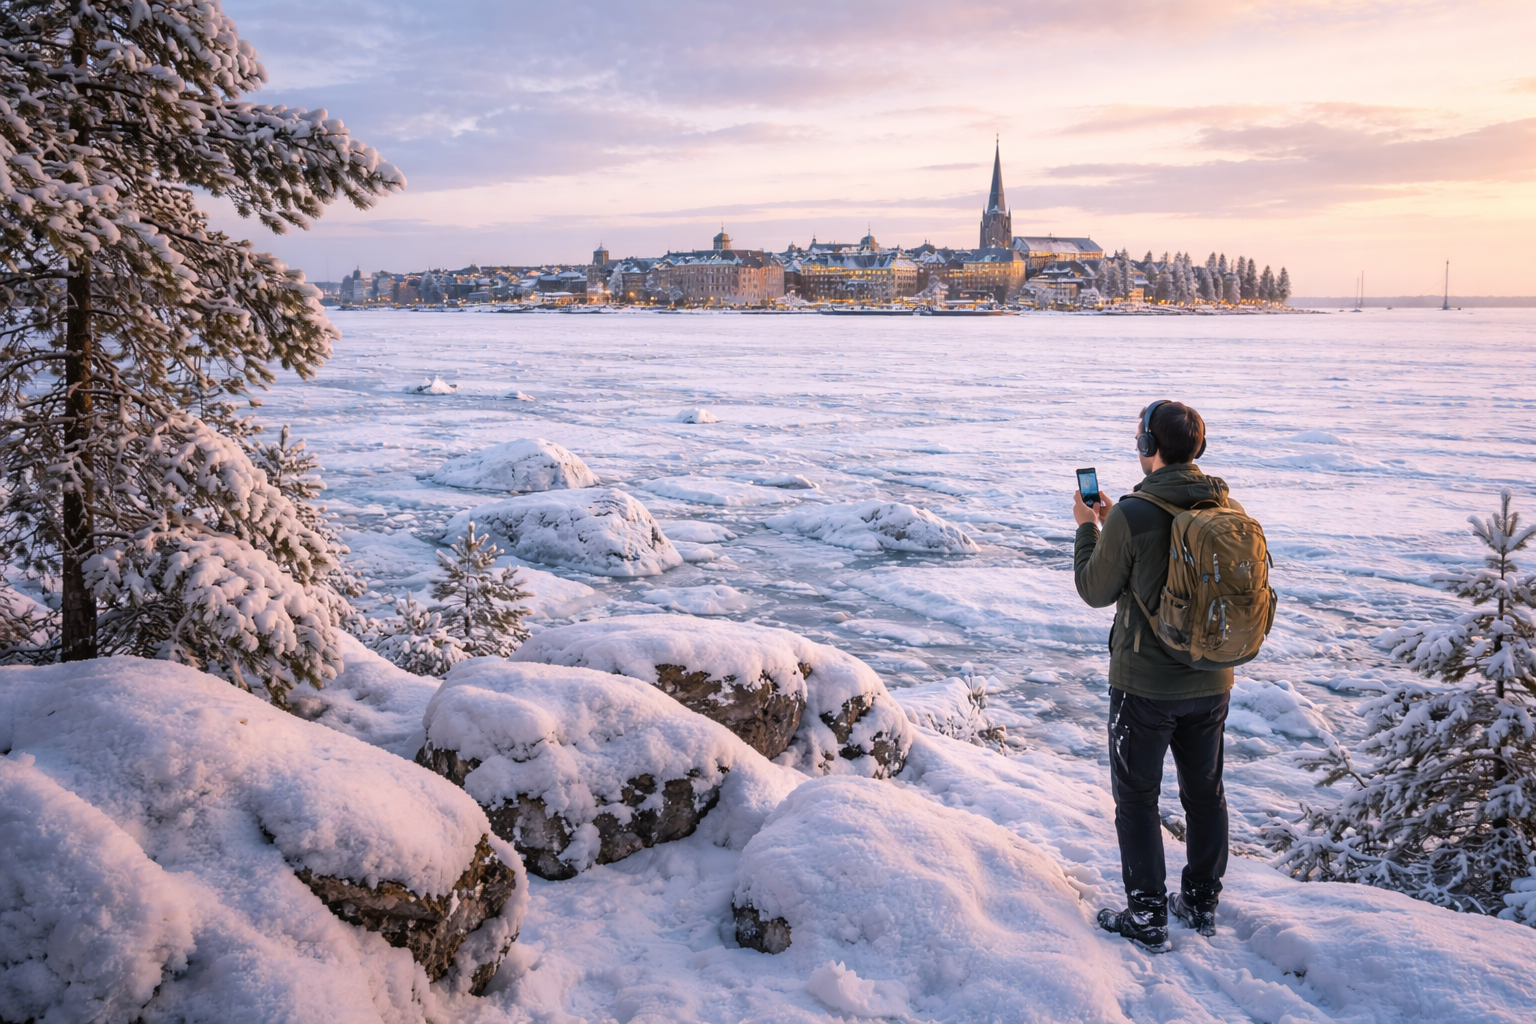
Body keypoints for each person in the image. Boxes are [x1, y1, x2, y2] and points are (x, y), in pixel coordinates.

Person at [1071, 400, 1238, 952]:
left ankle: (1146, 918)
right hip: (1213, 679)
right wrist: (1118, 519)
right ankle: (1199, 902)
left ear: (1149, 446)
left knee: (1138, 799)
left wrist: (1090, 530)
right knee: (1205, 794)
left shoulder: (1131, 515)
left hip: (1145, 685)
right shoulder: (1223, 505)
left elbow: (1095, 590)